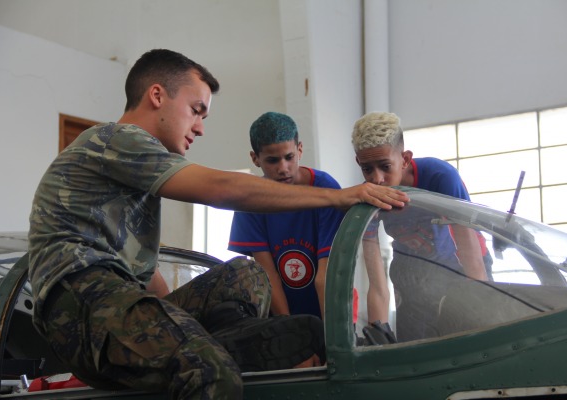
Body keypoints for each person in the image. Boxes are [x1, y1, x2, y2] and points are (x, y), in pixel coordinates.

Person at [27, 49, 409, 400]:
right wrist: (341, 195)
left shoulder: (137, 176)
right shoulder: (114, 140)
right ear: (157, 96)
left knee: (245, 275)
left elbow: (145, 281)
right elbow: (221, 187)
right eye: (196, 110)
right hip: (77, 305)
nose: (200, 128)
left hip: (114, 301)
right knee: (210, 371)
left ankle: (226, 345)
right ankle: (218, 356)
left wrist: (176, 328)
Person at [351, 111, 488, 342]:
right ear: (358, 163)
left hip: (462, 261)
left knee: (465, 332)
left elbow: (470, 253)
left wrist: (482, 315)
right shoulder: (368, 198)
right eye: (367, 169)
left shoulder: (441, 177)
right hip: (411, 268)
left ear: (404, 159)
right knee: (412, 344)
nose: (377, 179)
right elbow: (376, 284)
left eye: (385, 166)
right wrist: (379, 334)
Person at [228, 112, 345, 320]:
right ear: (255, 159)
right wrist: (291, 336)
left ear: (299, 150)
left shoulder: (327, 190)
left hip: (329, 313)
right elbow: (267, 276)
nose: (283, 168)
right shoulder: (249, 200)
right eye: (273, 160)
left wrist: (333, 341)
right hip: (279, 317)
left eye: (289, 157)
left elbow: (326, 277)